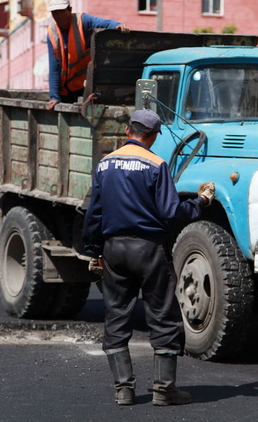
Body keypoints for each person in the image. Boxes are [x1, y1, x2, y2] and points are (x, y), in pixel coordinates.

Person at [82, 109, 215, 406]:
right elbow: (171, 212)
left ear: (128, 130)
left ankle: (124, 390)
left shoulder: (105, 164)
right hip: (148, 250)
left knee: (116, 316)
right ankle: (164, 391)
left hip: (113, 249)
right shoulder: (157, 164)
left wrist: (93, 250)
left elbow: (94, 213)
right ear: (153, 136)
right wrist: (201, 201)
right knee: (163, 317)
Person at [46, 0, 130, 110]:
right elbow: (54, 66)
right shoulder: (52, 33)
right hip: (66, 89)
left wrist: (118, 26)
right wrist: (54, 96)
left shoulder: (82, 21)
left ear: (69, 9)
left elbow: (105, 23)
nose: (59, 16)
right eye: (55, 13)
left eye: (61, 11)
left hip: (86, 86)